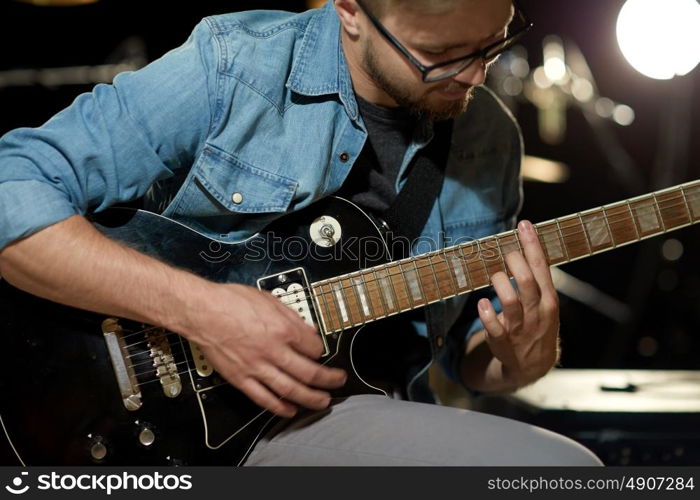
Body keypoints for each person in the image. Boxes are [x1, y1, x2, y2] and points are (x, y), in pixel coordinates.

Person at [0, 0, 602, 465]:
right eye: (441, 54)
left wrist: (521, 358)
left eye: (493, 45)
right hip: (159, 419)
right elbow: (12, 187)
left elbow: (462, 356)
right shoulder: (236, 64)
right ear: (350, 11)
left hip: (344, 410)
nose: (473, 77)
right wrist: (200, 310)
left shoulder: (489, 138)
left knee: (563, 472)